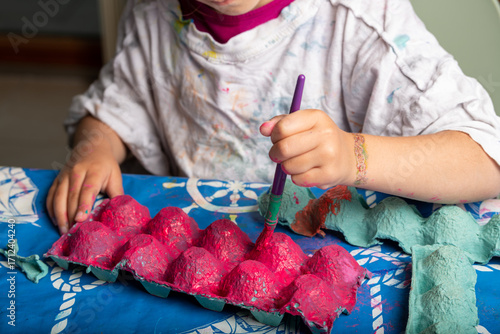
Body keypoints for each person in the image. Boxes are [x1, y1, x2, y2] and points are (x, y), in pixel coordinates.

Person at [47, 0, 500, 234]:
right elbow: (114, 106)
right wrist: (97, 147)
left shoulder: (361, 20)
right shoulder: (152, 14)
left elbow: (486, 159)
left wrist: (353, 155)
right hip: (198, 256)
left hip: (327, 258)